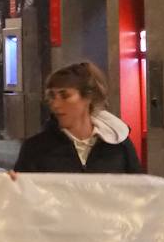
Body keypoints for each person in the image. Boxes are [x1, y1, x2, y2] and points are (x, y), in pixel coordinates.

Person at [13, 61, 142, 173]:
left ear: (87, 98)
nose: (55, 104)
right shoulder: (36, 148)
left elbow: (138, 191)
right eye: (52, 96)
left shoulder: (117, 143)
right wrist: (12, 184)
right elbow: (23, 196)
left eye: (65, 95)